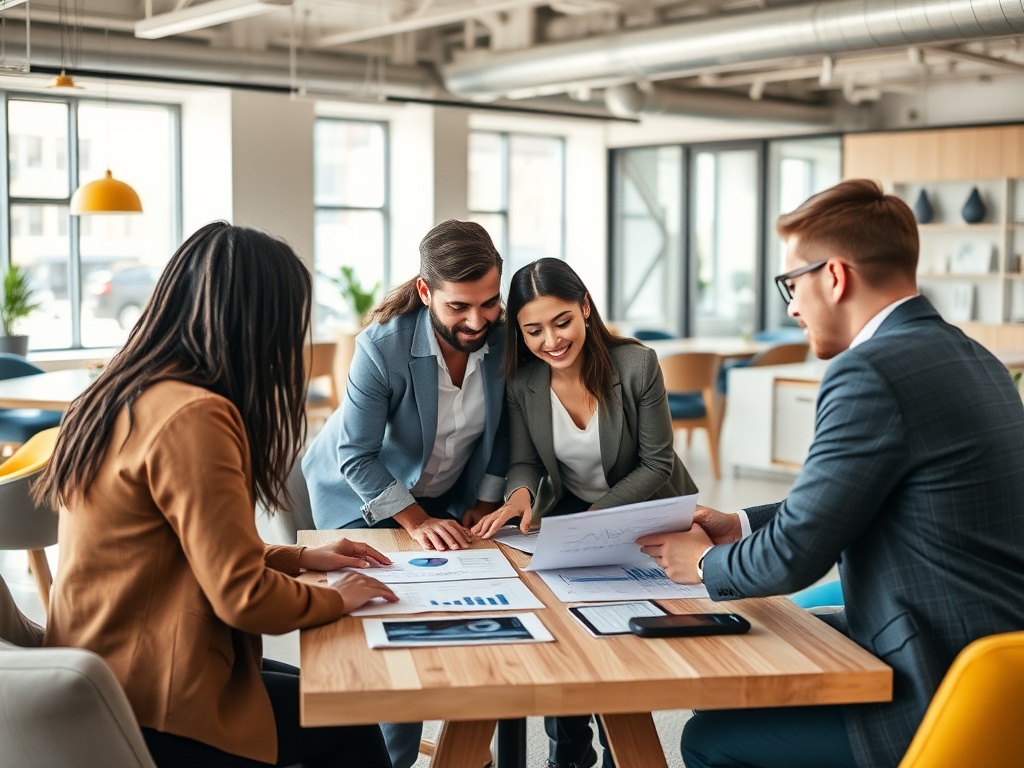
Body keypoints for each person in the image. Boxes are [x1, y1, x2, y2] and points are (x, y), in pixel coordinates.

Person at [636, 179, 1024, 768]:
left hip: (937, 683)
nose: (791, 305)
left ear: (835, 276)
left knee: (710, 739)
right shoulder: (973, 356)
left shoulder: (871, 371)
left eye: (792, 283)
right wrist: (737, 524)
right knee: (750, 660)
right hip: (989, 660)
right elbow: (846, 502)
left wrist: (702, 563)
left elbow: (797, 555)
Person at [34, 223, 399, 768]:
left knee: (312, 687)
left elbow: (181, 553)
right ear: (257, 323)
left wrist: (299, 558)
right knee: (348, 713)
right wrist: (337, 596)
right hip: (151, 699)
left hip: (102, 674)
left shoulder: (120, 391)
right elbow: (244, 598)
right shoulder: (195, 415)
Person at [473, 258, 698, 768]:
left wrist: (597, 519)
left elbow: (656, 463)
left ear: (586, 309)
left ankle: (623, 749)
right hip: (577, 515)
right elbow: (526, 462)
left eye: (562, 322)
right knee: (563, 628)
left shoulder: (637, 366)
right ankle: (568, 757)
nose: (550, 340)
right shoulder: (523, 383)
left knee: (618, 635)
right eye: (533, 330)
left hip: (649, 511)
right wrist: (520, 496)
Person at [301, 219, 509, 768]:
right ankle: (393, 757)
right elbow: (356, 457)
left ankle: (468, 749)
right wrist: (416, 521)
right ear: (425, 292)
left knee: (488, 604)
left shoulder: (506, 338)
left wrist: (487, 500)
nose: (476, 320)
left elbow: (504, 432)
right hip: (359, 497)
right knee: (399, 618)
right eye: (458, 307)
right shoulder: (383, 346)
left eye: (488, 303)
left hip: (444, 494)